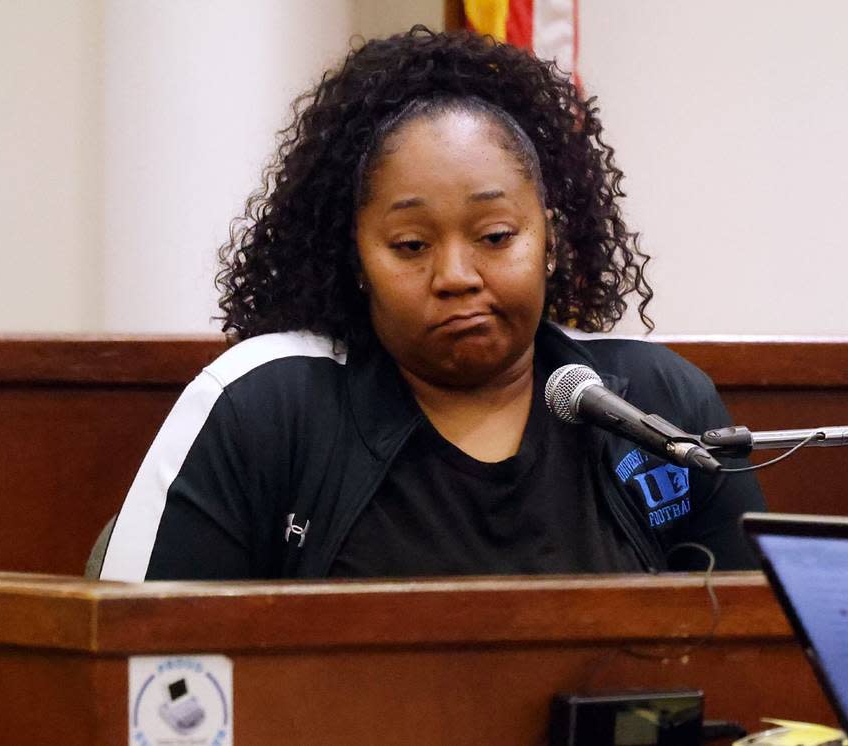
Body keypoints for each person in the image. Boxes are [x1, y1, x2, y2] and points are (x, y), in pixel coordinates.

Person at [98, 26, 764, 582]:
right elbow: (142, 682)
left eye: (495, 237)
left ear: (552, 241)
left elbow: (760, 672)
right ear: (357, 257)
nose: (455, 275)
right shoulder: (261, 408)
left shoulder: (660, 410)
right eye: (412, 245)